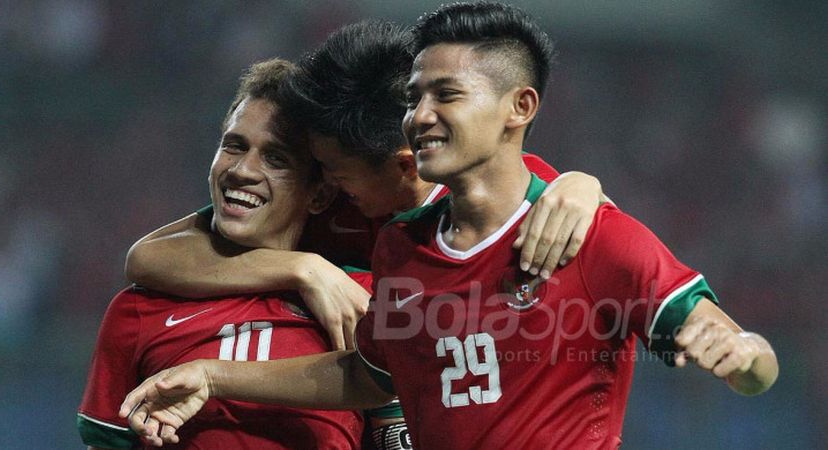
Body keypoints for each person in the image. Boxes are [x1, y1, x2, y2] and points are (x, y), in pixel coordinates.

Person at [119, 3, 778, 449]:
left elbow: (720, 335)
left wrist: (744, 355)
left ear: (519, 107)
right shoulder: (400, 249)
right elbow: (370, 374)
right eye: (415, 97)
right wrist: (214, 375)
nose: (422, 113)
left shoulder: (585, 232)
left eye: (447, 96)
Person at [124, 20, 609, 352]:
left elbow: (603, 240)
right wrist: (304, 268)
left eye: (333, 167)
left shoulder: (498, 196)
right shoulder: (326, 206)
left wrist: (583, 187)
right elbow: (149, 258)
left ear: (403, 166)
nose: (325, 181)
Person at [78, 59, 365, 449]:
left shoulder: (354, 296)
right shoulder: (138, 310)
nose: (243, 170)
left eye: (276, 158)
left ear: (320, 194)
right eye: (234, 146)